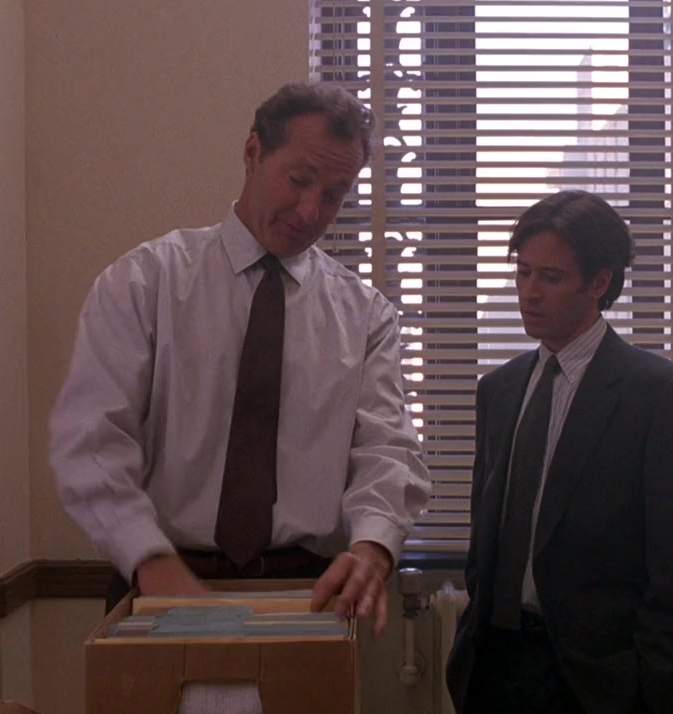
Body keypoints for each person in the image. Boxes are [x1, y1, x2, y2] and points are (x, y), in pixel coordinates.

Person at [48, 81, 431, 637]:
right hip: (159, 580)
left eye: (334, 194)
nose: (310, 211)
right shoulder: (144, 284)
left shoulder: (366, 316)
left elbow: (387, 448)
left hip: (307, 593)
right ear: (253, 152)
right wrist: (150, 561)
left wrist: (373, 547)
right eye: (298, 180)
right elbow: (91, 440)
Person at [445, 190, 673, 713]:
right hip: (495, 668)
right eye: (523, 272)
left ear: (599, 283)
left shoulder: (662, 396)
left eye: (551, 277)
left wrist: (655, 690)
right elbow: (486, 539)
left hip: (599, 681)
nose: (530, 293)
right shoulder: (499, 390)